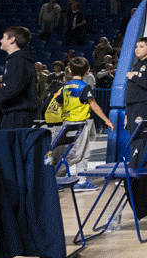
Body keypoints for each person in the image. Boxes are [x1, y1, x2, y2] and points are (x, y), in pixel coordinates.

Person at [55, 56, 114, 191]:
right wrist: (106, 120)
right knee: (76, 154)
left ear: (69, 70)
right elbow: (94, 105)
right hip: (78, 124)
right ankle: (56, 175)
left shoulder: (66, 86)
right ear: (87, 71)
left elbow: (58, 103)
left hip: (66, 122)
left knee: (84, 153)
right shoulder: (84, 87)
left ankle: (81, 180)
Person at [0, 26, 41, 129]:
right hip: (19, 112)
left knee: (10, 144)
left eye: (3, 37)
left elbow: (12, 89)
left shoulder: (17, 60)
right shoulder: (19, 59)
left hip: (17, 113)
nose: (0, 40)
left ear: (12, 40)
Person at [124, 37, 147, 170]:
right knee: (134, 139)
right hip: (133, 106)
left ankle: (141, 169)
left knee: (143, 139)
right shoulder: (137, 64)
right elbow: (131, 91)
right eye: (136, 46)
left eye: (141, 46)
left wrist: (135, 77)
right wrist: (127, 112)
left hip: (145, 105)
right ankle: (135, 170)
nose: (137, 49)